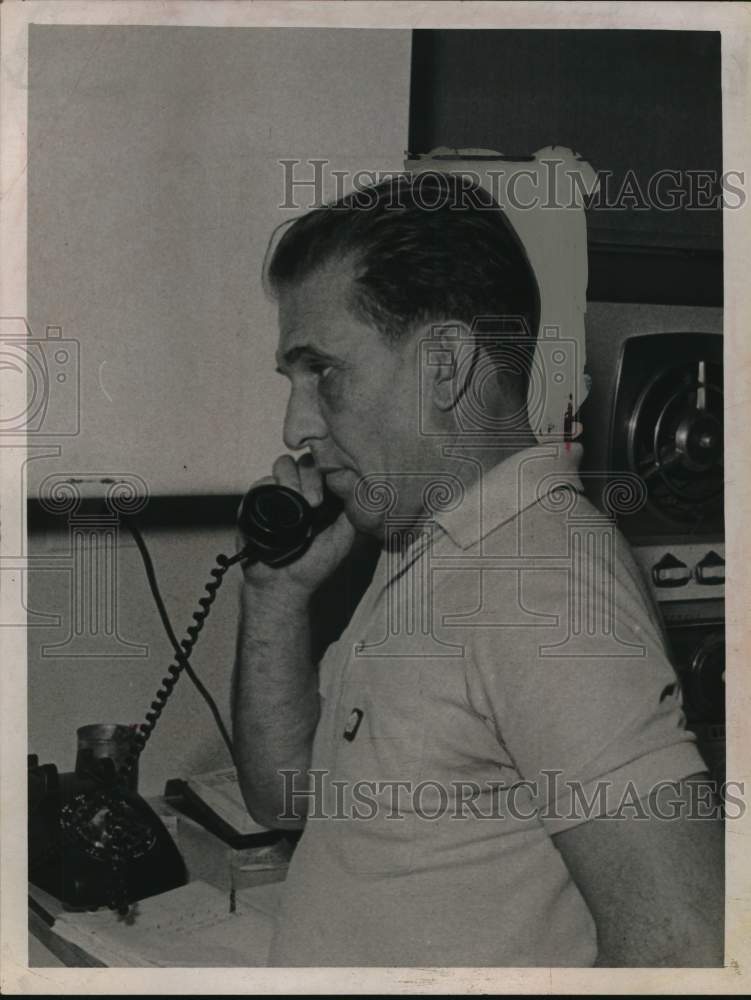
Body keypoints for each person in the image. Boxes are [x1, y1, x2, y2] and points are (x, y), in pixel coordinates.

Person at [232, 175, 723, 967]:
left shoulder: (542, 581)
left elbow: (685, 949)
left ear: (445, 366)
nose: (296, 426)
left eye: (322, 371)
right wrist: (277, 594)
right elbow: (286, 795)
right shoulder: (425, 540)